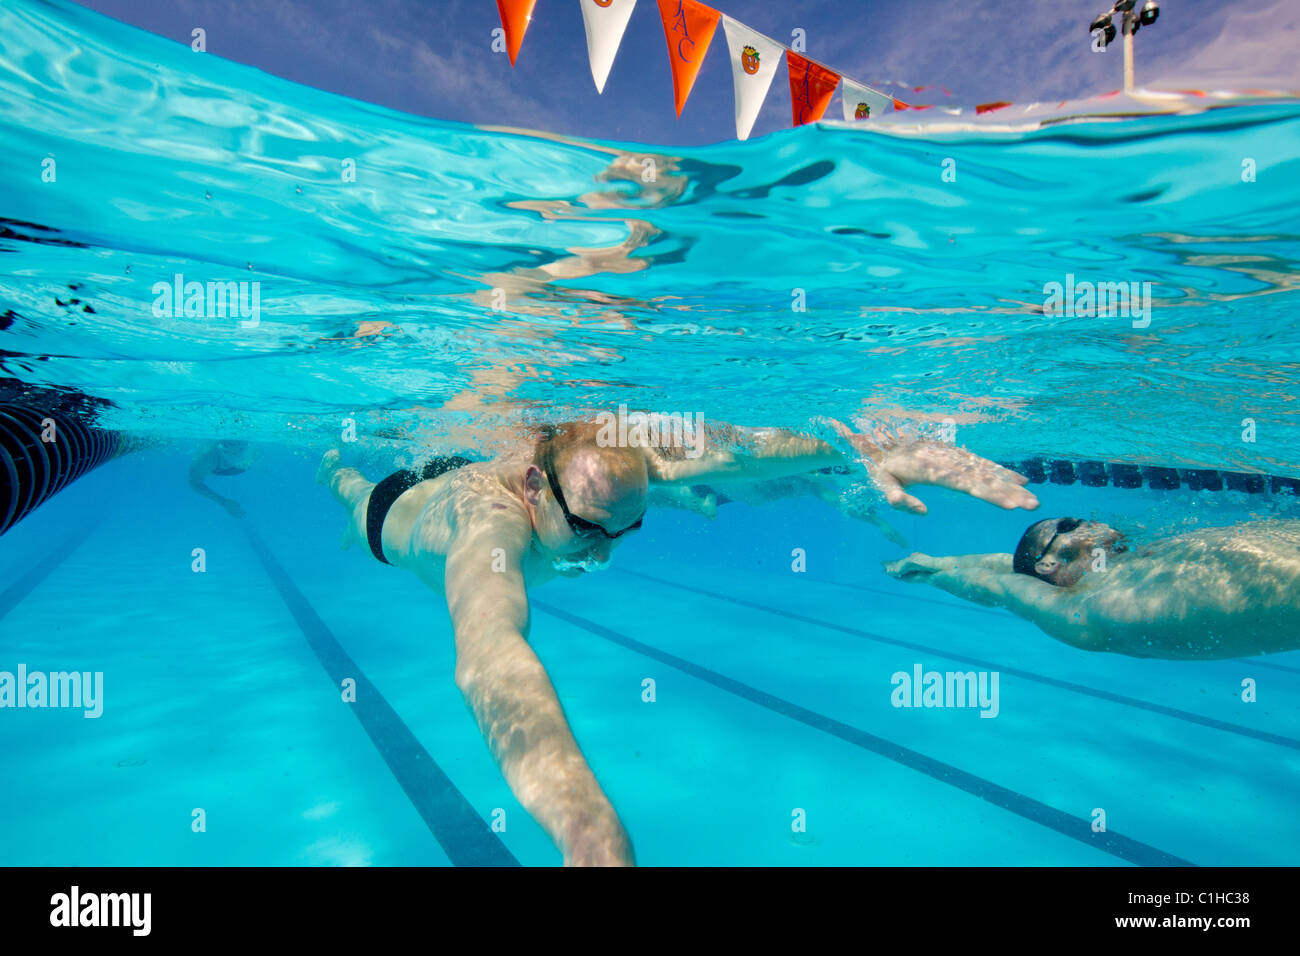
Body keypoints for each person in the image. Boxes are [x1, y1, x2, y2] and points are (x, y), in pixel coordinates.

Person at [318, 419, 1038, 866]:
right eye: (590, 529)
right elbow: (491, 654)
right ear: (535, 488)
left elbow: (755, 453)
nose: (605, 553)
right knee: (352, 503)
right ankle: (337, 470)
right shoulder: (490, 534)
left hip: (504, 473)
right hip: (397, 510)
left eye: (626, 528)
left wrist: (873, 446)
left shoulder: (614, 477)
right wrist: (587, 831)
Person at [883, 516, 1300, 660]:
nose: (1084, 520)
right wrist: (933, 573)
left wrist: (939, 559)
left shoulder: (1124, 567)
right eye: (1067, 527)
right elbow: (1000, 584)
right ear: (1049, 565)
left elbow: (1004, 568)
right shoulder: (1085, 610)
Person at [188, 440, 254, 518]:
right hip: (216, 467)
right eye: (233, 453)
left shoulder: (254, 450)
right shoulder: (208, 457)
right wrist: (223, 502)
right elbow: (194, 482)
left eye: (240, 450)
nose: (237, 455)